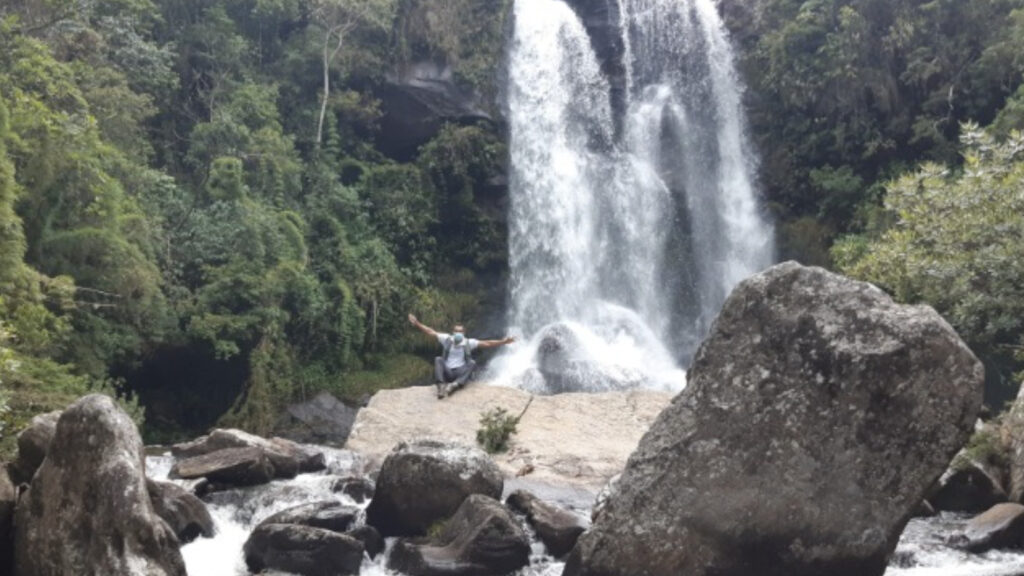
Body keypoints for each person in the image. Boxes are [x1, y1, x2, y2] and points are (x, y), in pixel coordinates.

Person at [408, 313, 515, 398]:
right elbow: (430, 332)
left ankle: (456, 385)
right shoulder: (446, 339)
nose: (458, 333)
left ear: (464, 333)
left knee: (472, 363)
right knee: (438, 359)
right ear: (453, 332)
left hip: (460, 372)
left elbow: (487, 343)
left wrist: (504, 342)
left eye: (460, 331)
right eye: (456, 331)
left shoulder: (469, 342)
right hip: (447, 370)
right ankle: (440, 387)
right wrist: (417, 323)